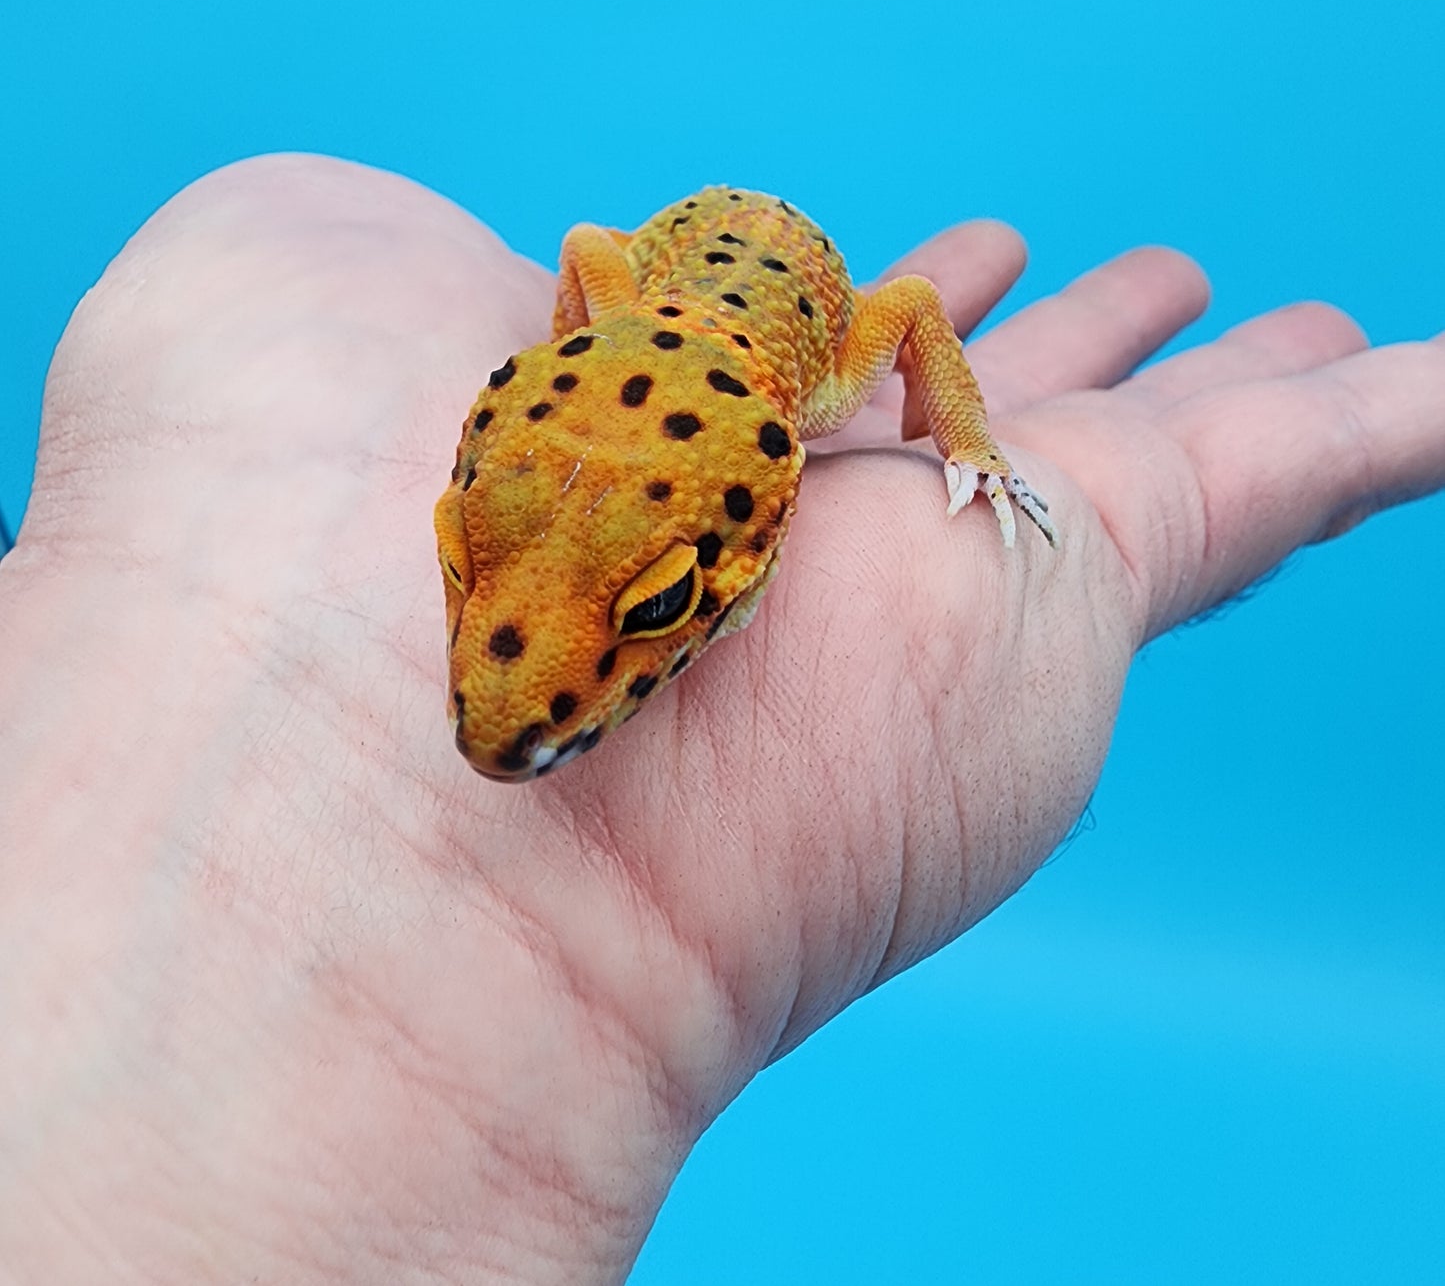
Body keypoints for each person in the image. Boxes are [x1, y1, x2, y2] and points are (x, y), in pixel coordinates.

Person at [1, 155, 1440, 1281]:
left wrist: (967, 441)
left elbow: (905, 309)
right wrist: (578, 382)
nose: (502, 713)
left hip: (763, 300)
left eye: (657, 605)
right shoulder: (598, 348)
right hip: (664, 304)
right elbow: (592, 252)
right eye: (465, 556)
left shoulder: (824, 385)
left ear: (775, 498)